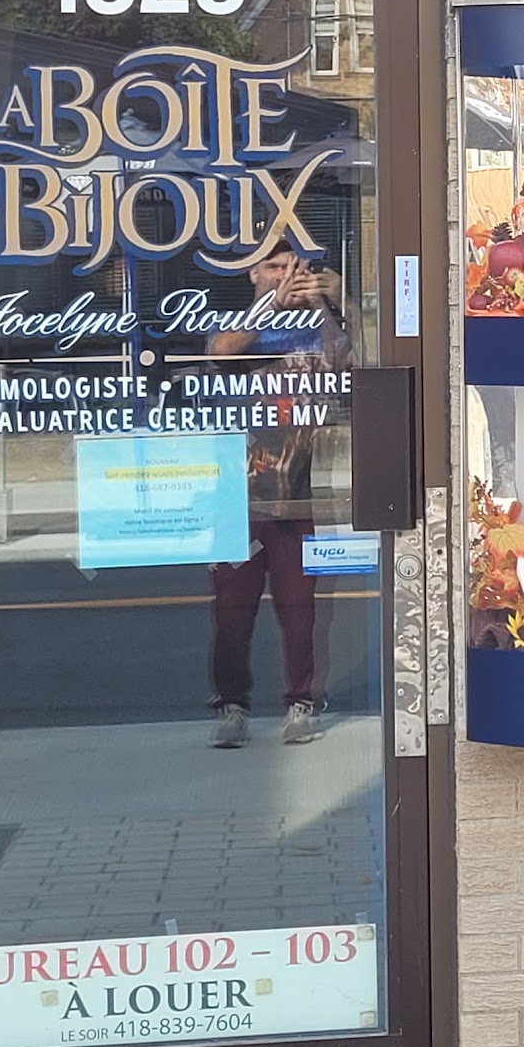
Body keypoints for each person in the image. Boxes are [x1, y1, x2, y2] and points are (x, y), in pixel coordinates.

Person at [205, 238, 349, 749]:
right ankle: (232, 706)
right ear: (252, 274)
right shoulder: (239, 321)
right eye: (273, 267)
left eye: (294, 267)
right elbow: (221, 353)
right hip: (238, 497)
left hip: (298, 495)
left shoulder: (315, 326)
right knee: (232, 613)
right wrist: (269, 304)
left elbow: (352, 361)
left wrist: (334, 300)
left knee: (300, 610)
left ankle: (301, 702)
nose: (285, 275)